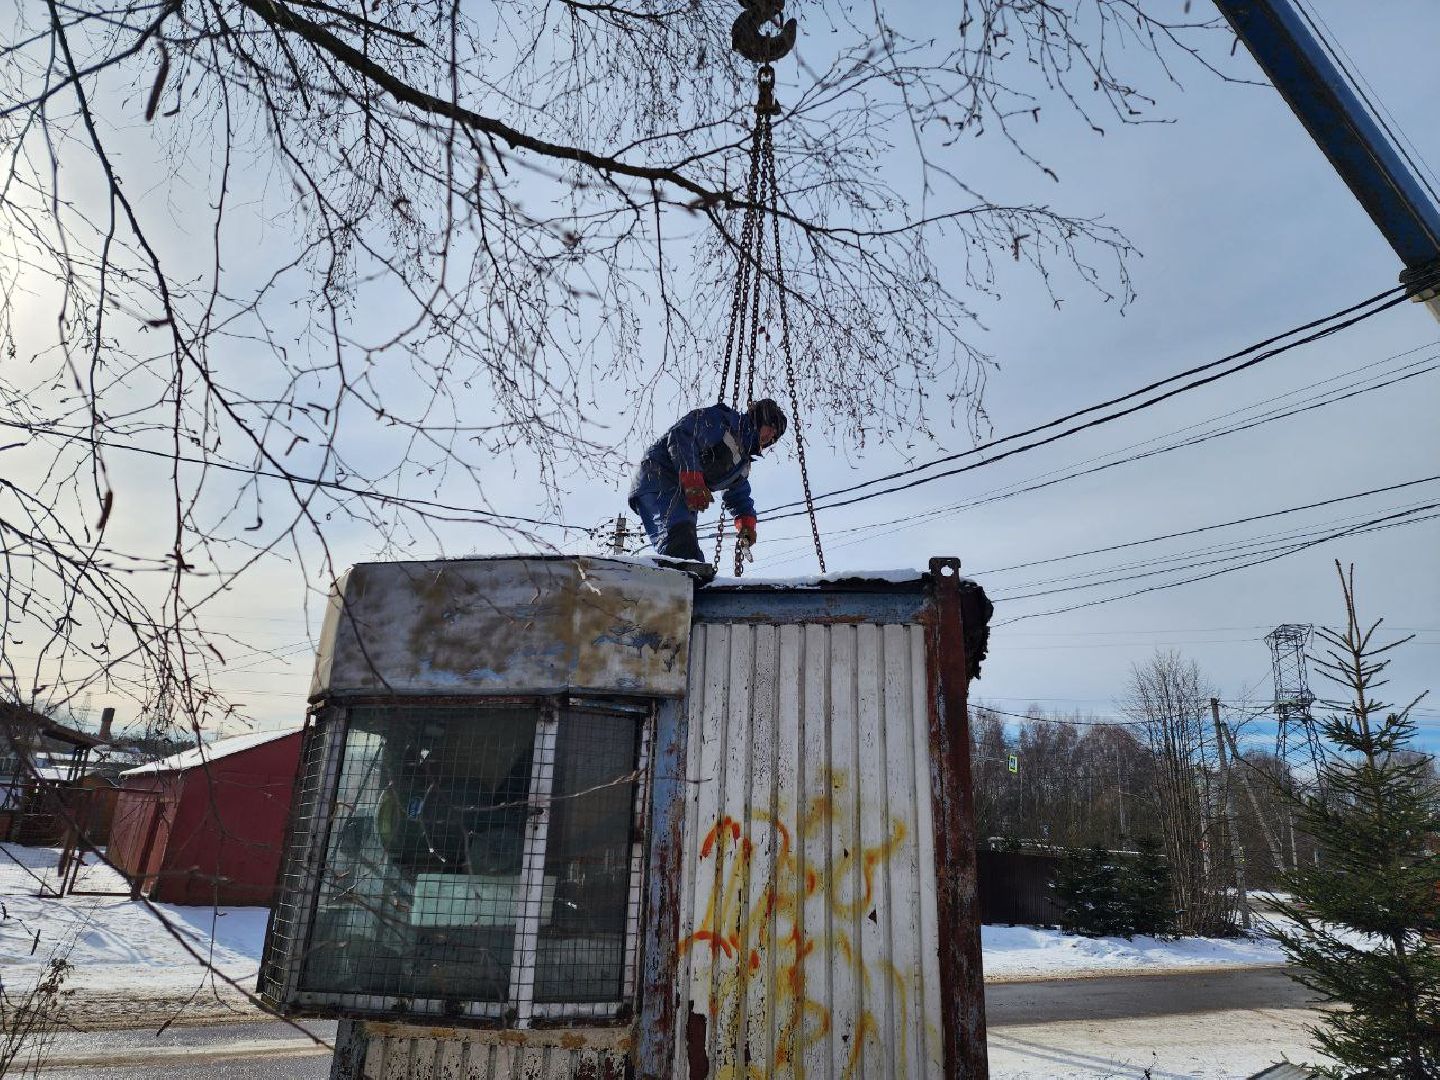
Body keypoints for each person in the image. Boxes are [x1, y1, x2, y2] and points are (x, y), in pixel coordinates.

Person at [627, 399, 787, 563]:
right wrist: (693, 480)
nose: (770, 437)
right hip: (659, 477)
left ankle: (685, 577)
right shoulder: (723, 421)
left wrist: (747, 524)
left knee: (690, 555)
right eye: (771, 428)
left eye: (775, 436)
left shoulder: (741, 463)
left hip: (680, 492)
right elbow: (682, 436)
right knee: (679, 541)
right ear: (759, 419)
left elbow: (739, 494)